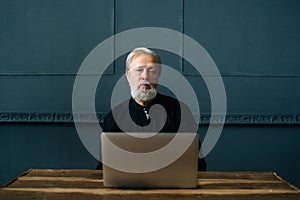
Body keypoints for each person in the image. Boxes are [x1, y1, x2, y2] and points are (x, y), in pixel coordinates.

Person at [97, 47, 206, 171]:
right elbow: (104, 168)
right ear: (128, 75)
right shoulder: (114, 117)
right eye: (139, 70)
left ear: (158, 75)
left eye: (151, 71)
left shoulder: (180, 111)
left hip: (172, 186)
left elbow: (197, 163)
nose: (145, 76)